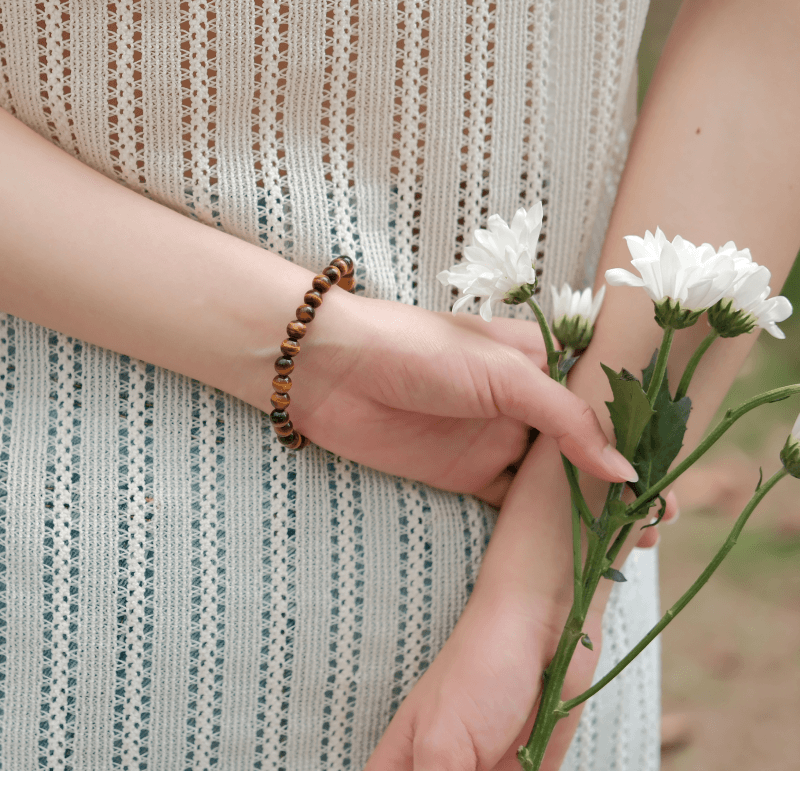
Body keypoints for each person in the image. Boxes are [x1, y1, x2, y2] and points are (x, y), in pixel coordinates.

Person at [0, 0, 797, 771]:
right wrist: (310, 349)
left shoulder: (552, 602)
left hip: (534, 635)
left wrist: (554, 572)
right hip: (65, 593)